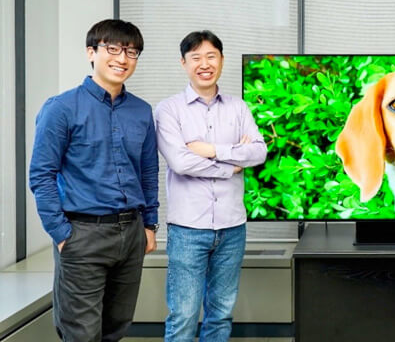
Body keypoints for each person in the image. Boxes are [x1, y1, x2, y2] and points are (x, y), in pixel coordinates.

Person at [29, 19, 159, 341]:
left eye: (131, 52)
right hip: (83, 235)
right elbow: (41, 174)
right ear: (91, 52)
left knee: (116, 328)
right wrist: (61, 234)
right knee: (82, 334)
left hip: (131, 235)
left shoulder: (142, 111)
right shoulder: (61, 108)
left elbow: (148, 171)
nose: (122, 58)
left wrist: (150, 225)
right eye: (112, 49)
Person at [155, 30, 267, 341]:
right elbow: (180, 162)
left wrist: (212, 150)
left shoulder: (238, 107)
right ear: (183, 63)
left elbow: (258, 152)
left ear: (221, 60)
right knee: (183, 316)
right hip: (188, 229)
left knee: (220, 315)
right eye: (196, 58)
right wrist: (232, 165)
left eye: (211, 56)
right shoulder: (168, 110)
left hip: (233, 227)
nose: (204, 64)